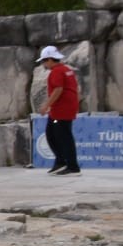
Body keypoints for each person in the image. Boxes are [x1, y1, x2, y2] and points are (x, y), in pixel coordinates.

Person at [38, 45, 81, 175]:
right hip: (66, 108)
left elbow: (58, 89)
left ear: (51, 59)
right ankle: (61, 162)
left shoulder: (56, 72)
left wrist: (46, 105)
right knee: (53, 134)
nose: (43, 64)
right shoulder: (67, 70)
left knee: (62, 137)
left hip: (61, 110)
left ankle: (72, 166)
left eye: (44, 61)